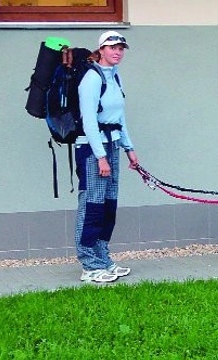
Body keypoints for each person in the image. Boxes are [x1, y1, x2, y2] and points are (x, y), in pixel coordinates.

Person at [74, 31, 138, 283]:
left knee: (108, 204)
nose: (117, 52)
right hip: (92, 149)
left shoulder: (115, 77)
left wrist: (129, 149)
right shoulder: (91, 79)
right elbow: (89, 122)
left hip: (111, 146)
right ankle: (89, 265)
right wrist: (100, 157)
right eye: (112, 47)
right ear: (101, 50)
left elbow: (119, 118)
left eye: (121, 48)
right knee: (92, 204)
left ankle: (102, 258)